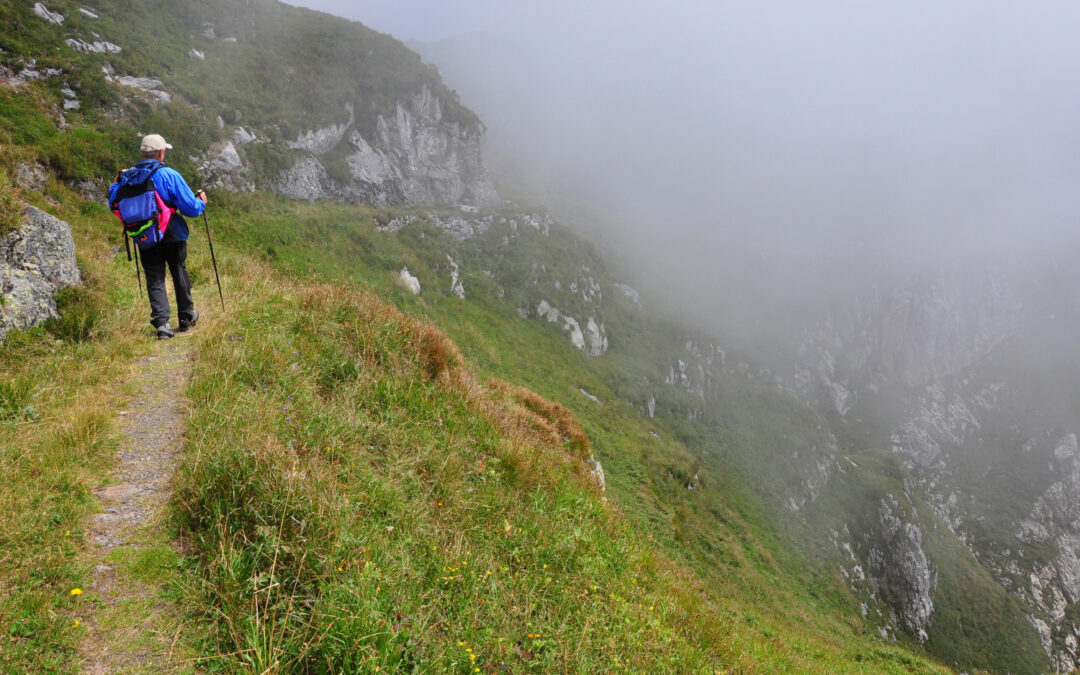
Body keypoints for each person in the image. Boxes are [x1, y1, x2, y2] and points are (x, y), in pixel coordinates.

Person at [108, 134, 208, 339]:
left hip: (144, 234)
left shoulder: (127, 176)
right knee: (178, 271)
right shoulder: (168, 174)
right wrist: (201, 202)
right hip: (172, 232)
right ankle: (186, 317)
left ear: (143, 153)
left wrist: (115, 183)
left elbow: (113, 202)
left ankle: (162, 324)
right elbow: (190, 208)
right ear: (161, 153)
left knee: (154, 277)